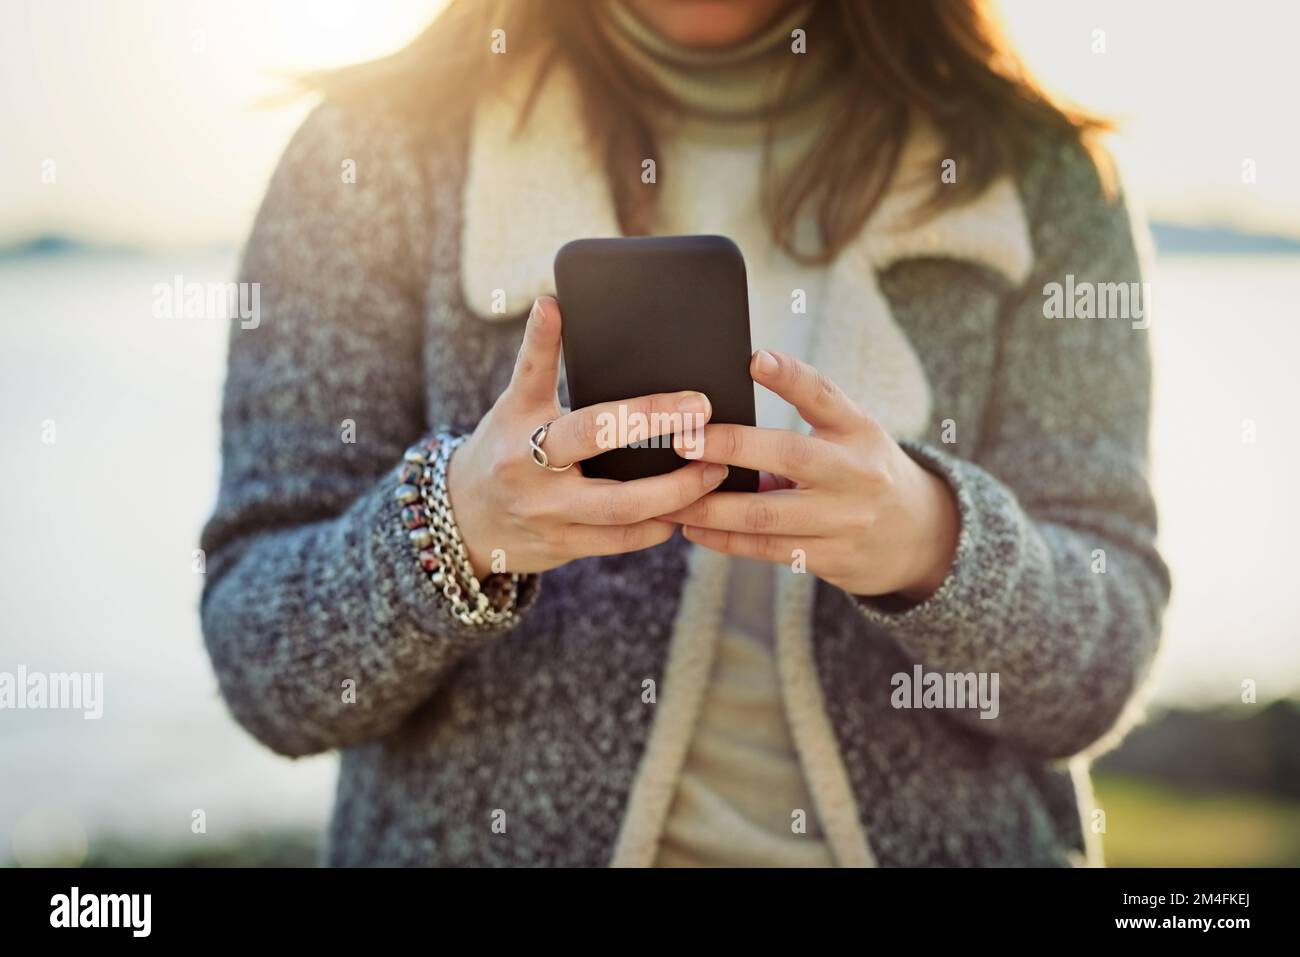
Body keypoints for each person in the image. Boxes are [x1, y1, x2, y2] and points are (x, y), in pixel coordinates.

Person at [200, 0, 1171, 866]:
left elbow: (1096, 670)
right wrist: (453, 529)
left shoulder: (1040, 172)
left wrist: (932, 543)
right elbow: (266, 669)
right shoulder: (372, 154)